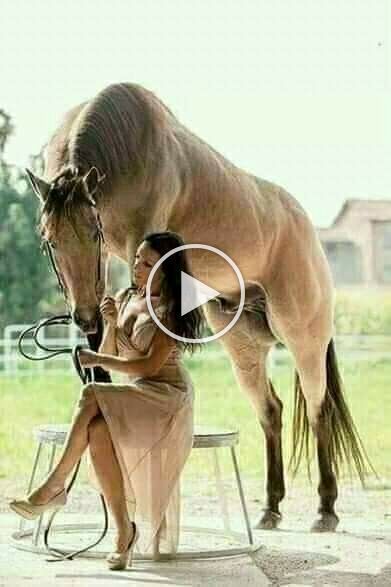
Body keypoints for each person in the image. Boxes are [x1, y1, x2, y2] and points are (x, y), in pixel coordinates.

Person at [9, 231, 206, 570]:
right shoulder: (128, 297)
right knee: (98, 432)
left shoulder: (173, 309)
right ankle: (122, 532)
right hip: (137, 393)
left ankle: (55, 485)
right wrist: (112, 325)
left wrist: (99, 362)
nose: (137, 266)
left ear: (166, 268)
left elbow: (149, 365)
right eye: (136, 259)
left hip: (166, 399)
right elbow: (109, 353)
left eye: (147, 262)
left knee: (90, 393)